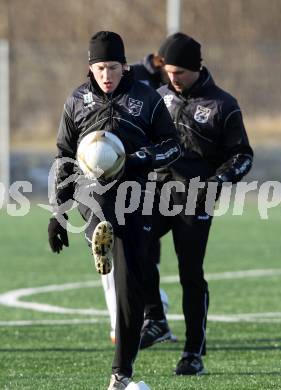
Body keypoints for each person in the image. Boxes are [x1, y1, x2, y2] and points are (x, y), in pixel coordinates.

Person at [47, 31, 181, 389]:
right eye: (100, 67)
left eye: (113, 67)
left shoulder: (146, 98)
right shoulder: (77, 101)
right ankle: (97, 235)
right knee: (100, 211)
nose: (107, 75)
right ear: (91, 67)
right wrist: (57, 214)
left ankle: (120, 375)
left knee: (130, 289)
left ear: (125, 65)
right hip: (93, 192)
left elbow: (173, 146)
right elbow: (63, 158)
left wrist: (139, 157)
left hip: (137, 195)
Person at [139, 33, 254, 376]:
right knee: (133, 247)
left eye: (180, 72)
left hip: (194, 198)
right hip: (156, 193)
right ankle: (155, 319)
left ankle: (193, 352)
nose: (173, 78)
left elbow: (242, 156)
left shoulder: (223, 105)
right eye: (169, 71)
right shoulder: (157, 97)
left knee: (191, 275)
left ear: (197, 69)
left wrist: (218, 181)